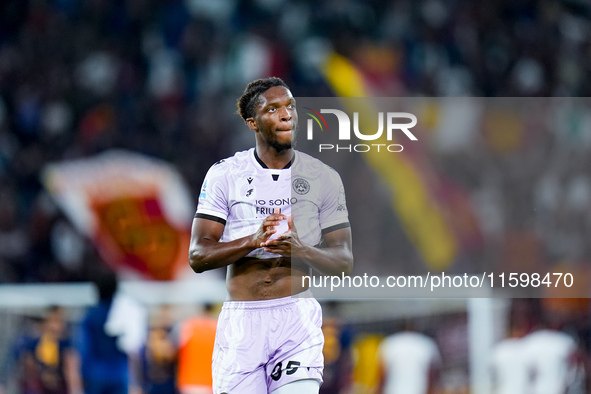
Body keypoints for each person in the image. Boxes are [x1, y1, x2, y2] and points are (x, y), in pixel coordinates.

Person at [189, 77, 353, 394]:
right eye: (273, 108)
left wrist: (301, 249)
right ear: (252, 122)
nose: (286, 114)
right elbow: (198, 255)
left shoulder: (323, 178)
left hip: (295, 319)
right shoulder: (225, 174)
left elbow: (343, 261)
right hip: (242, 323)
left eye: (290, 106)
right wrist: (253, 240)